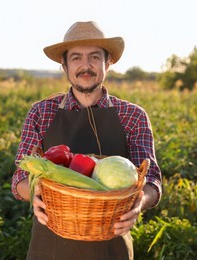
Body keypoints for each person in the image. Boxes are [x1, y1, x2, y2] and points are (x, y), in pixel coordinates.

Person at [11, 21, 162, 260]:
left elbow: (152, 177)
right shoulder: (41, 112)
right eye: (76, 58)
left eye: (94, 57)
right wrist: (34, 193)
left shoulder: (133, 116)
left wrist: (138, 203)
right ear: (64, 65)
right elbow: (20, 174)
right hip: (50, 245)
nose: (85, 66)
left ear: (108, 62)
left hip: (111, 244)